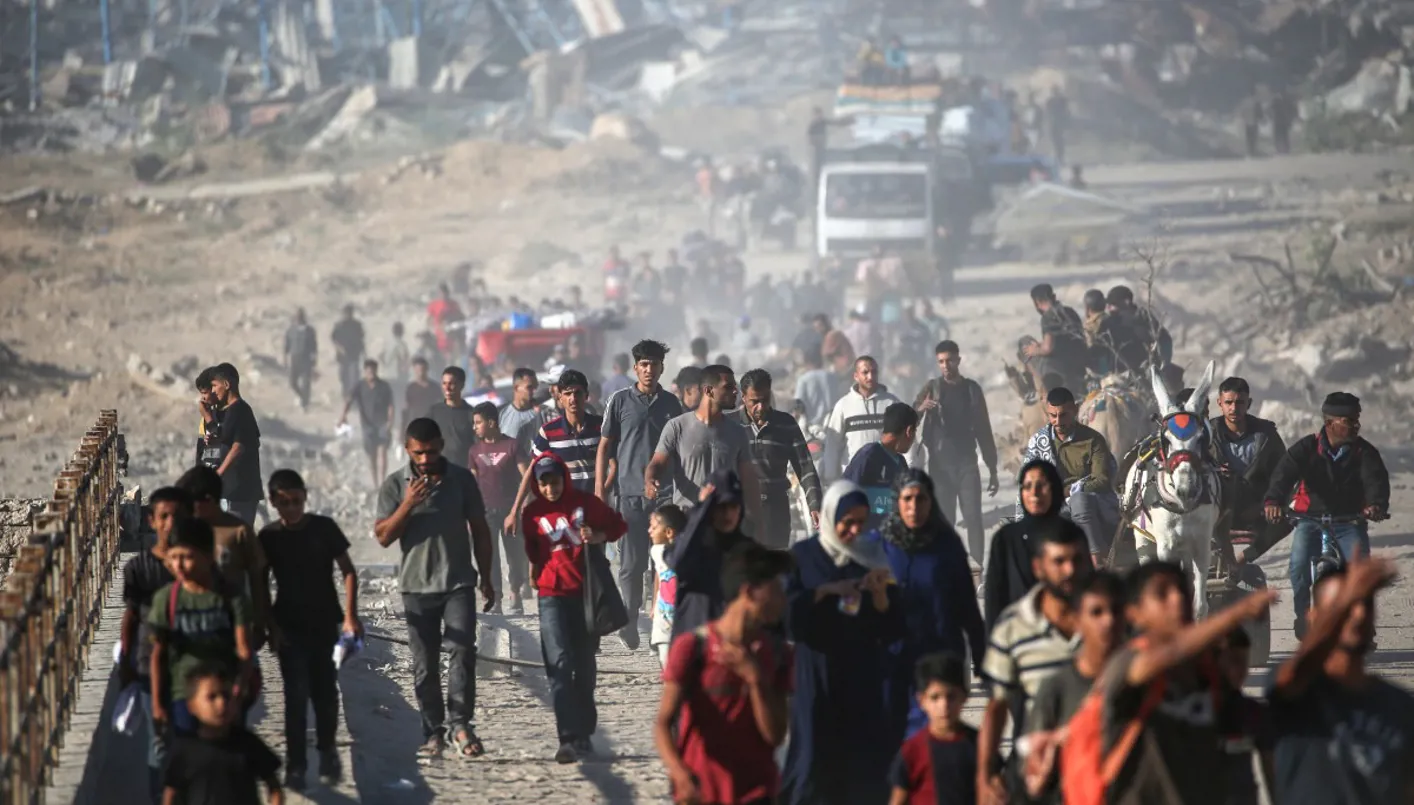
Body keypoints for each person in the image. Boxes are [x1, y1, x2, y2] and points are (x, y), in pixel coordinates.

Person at [1084, 562, 1274, 805]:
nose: (1177, 599)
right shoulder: (1127, 663)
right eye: (1162, 594)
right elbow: (1166, 655)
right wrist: (1238, 612)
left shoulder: (1205, 673)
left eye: (1182, 591)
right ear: (1134, 612)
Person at [374, 418, 495, 760]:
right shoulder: (395, 485)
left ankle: (460, 724)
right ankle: (433, 731)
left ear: (441, 445)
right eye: (418, 453)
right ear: (407, 450)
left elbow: (480, 529)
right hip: (416, 587)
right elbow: (383, 536)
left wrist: (487, 577)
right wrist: (408, 504)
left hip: (458, 582)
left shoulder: (462, 480)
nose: (425, 459)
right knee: (424, 664)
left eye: (430, 451)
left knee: (462, 650)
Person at [781, 481, 904, 805]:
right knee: (812, 757)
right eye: (847, 522)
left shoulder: (871, 557)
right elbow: (786, 617)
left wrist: (880, 595)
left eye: (861, 523)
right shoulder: (804, 556)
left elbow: (892, 627)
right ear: (830, 516)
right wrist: (825, 591)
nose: (854, 530)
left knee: (860, 763)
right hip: (816, 671)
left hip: (861, 673)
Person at [655, 543, 794, 805]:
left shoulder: (778, 654)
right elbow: (663, 722)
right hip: (703, 790)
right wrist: (679, 773)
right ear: (749, 592)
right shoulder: (693, 647)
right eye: (777, 591)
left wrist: (755, 679)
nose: (783, 601)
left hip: (757, 792)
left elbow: (775, 735)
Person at [1268, 557, 1414, 804]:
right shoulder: (1297, 694)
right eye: (1343, 607)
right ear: (1313, 619)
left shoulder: (1399, 706)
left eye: (1364, 603)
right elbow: (1291, 676)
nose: (1357, 615)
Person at [522, 453, 628, 763]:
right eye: (544, 484)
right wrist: (533, 572)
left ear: (564, 479)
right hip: (550, 596)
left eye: (555, 482)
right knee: (558, 664)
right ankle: (566, 738)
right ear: (537, 485)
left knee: (583, 666)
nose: (550, 489)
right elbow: (533, 551)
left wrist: (597, 536)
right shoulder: (532, 513)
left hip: (584, 595)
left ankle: (583, 732)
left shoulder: (585, 504)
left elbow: (618, 525)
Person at [258, 470, 360, 790]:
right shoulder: (269, 537)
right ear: (273, 502)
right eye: (284, 503)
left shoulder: (324, 528)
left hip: (324, 624)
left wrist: (350, 617)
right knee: (295, 698)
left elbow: (348, 571)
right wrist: (270, 626)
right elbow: (260, 584)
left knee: (325, 693)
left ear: (305, 496)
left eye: (296, 501)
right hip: (288, 627)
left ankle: (327, 750)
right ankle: (296, 765)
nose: (292, 508)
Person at [977, 523, 1088, 805]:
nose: (1069, 570)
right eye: (1059, 561)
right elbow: (997, 706)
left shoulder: (1106, 621)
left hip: (1093, 771)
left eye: (1076, 560)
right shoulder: (1014, 626)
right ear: (1038, 568)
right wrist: (986, 773)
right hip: (1036, 773)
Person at [1264, 391, 1389, 637]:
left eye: (1357, 419)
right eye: (1349, 420)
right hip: (1309, 520)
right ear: (1330, 423)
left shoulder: (1364, 452)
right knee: (1299, 565)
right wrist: (1273, 502)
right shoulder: (1306, 448)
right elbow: (1282, 476)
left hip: (1349, 521)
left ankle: (1362, 620)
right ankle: (1303, 616)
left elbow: (1376, 481)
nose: (1356, 425)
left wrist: (1376, 505)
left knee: (1360, 569)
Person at [871, 470, 985, 739]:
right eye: (907, 499)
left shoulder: (947, 544)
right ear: (897, 501)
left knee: (934, 736)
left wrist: (981, 656)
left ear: (931, 501)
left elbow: (967, 605)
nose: (914, 507)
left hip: (940, 655)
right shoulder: (879, 546)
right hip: (895, 659)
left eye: (920, 499)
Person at [597, 340, 684, 650]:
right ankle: (630, 619)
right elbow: (605, 446)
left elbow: (679, 451)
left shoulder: (672, 404)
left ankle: (660, 627)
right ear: (635, 368)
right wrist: (600, 491)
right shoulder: (619, 401)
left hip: (664, 497)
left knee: (663, 563)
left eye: (654, 364)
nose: (649, 369)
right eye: (644, 364)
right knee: (631, 565)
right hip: (630, 494)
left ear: (662, 368)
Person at [1021, 570, 1125, 804]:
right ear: (1076, 621)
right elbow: (1034, 770)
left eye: (1116, 611)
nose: (1108, 621)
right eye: (1096, 612)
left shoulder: (1144, 682)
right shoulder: (1057, 688)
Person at [148, 517, 257, 739]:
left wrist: (239, 689)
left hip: (223, 695)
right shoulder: (166, 599)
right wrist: (157, 704)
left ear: (209, 556)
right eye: (174, 557)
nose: (179, 566)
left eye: (187, 557)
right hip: (183, 695)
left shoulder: (231, 597)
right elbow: (158, 654)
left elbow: (244, 649)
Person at [120, 486, 187, 803]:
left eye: (177, 516)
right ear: (152, 520)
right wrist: (126, 663)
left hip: (192, 665)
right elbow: (131, 617)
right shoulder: (138, 569)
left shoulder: (194, 564)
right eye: (165, 516)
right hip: (150, 667)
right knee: (159, 742)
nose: (171, 523)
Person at [913, 341, 999, 568]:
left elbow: (983, 429)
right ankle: (947, 568)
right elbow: (910, 418)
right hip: (940, 466)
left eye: (949, 360)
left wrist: (992, 467)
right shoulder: (932, 387)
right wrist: (921, 408)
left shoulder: (971, 389)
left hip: (967, 464)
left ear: (958, 360)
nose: (946, 365)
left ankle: (978, 566)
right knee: (945, 520)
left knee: (973, 518)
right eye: (941, 361)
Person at [647, 365, 761, 525]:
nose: (736, 391)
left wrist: (757, 523)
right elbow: (657, 463)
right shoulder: (677, 427)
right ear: (708, 391)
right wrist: (651, 479)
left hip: (723, 523)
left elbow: (749, 480)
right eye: (728, 387)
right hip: (687, 521)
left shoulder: (737, 432)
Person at [985, 460, 1093, 630]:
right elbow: (994, 599)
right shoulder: (1006, 538)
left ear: (1054, 489)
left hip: (1065, 630)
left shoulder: (1071, 534)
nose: (1034, 493)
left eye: (1041, 485)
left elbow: (1087, 587)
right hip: (1018, 633)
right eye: (1027, 486)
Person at [1018, 387, 1119, 565]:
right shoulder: (1039, 442)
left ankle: (1095, 559)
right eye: (1053, 416)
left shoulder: (1093, 440)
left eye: (1063, 415)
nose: (1058, 421)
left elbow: (1102, 480)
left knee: (1079, 500)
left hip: (1093, 502)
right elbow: (1029, 481)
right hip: (1053, 504)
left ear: (1075, 410)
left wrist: (1069, 491)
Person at [176, 466, 272, 650]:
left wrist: (261, 623)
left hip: (233, 626)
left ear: (209, 500)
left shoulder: (238, 531)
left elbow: (258, 578)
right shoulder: (185, 531)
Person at [161, 663, 283, 805]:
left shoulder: (247, 743)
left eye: (226, 695)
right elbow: (170, 793)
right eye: (211, 697)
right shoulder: (183, 750)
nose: (221, 703)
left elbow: (274, 787)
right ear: (192, 706)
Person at [507, 370, 603, 536]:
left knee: (595, 552)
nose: (573, 399)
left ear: (586, 395)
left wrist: (602, 495)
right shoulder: (549, 432)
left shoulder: (600, 428)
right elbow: (532, 470)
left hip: (593, 510)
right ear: (560, 397)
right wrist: (514, 510)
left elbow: (613, 464)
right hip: (563, 513)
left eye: (577, 393)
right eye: (567, 394)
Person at [736, 369, 823, 548]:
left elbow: (805, 466)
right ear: (743, 398)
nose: (760, 407)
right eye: (754, 401)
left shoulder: (786, 424)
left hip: (776, 510)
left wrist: (815, 504)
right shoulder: (731, 425)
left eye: (765, 400)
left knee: (775, 560)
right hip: (741, 511)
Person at [1211, 376, 1288, 562]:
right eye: (1228, 402)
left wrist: (1268, 503)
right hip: (1217, 509)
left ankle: (1244, 558)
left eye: (1239, 402)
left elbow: (1283, 472)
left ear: (1249, 403)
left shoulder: (1266, 434)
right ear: (1219, 403)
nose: (1234, 408)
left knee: (1292, 515)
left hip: (1255, 508)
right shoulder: (1207, 434)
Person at [887, 653, 977, 805]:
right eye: (935, 697)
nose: (944, 706)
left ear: (965, 697)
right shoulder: (913, 750)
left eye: (951, 696)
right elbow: (898, 799)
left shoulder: (979, 744)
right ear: (922, 701)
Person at [469, 402, 526, 614]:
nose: (475, 427)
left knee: (515, 555)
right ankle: (496, 598)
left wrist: (519, 508)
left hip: (511, 511)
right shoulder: (475, 451)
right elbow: (472, 484)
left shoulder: (512, 446)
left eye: (478, 422)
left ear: (491, 423)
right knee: (489, 556)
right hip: (485, 512)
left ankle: (515, 591)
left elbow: (526, 476)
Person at [822, 356, 902, 482]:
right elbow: (833, 444)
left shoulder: (891, 403)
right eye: (865, 372)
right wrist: (830, 476)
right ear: (856, 376)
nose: (870, 377)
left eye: (874, 372)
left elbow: (903, 439)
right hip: (853, 478)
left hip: (884, 478)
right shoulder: (843, 405)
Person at [202, 364, 264, 527]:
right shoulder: (230, 412)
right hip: (230, 492)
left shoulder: (241, 410)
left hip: (239, 492)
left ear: (227, 384)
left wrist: (218, 474)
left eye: (215, 385)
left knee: (235, 537)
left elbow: (239, 447)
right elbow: (227, 438)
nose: (213, 390)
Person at [842, 402, 918, 531]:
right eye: (915, 431)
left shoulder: (901, 463)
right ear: (909, 431)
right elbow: (845, 495)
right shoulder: (868, 456)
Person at [1021, 284, 1087, 396]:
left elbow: (1048, 348)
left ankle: (1033, 391)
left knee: (1024, 343)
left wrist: (1035, 350)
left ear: (1037, 303)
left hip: (1059, 370)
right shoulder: (1070, 311)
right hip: (1080, 363)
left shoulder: (1048, 317)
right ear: (1054, 296)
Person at [339, 359, 395, 488]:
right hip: (367, 425)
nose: (371, 373)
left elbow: (391, 405)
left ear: (376, 371)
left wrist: (390, 422)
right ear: (364, 372)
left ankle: (383, 482)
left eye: (373, 370)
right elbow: (349, 400)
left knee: (382, 453)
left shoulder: (384, 386)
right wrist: (343, 416)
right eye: (368, 371)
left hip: (382, 424)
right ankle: (375, 484)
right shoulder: (359, 386)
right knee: (372, 456)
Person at [1106, 285, 1171, 372]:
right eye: (1108, 305)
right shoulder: (1145, 318)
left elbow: (1164, 340)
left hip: (1131, 372)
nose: (1108, 308)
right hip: (1144, 370)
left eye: (1113, 304)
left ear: (1126, 302)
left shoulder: (1117, 321)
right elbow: (1165, 341)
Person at [426, 366, 477, 469]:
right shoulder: (434, 411)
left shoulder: (471, 413)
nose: (447, 388)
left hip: (463, 469)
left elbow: (478, 445)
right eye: (444, 383)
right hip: (439, 468)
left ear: (461, 385)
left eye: (451, 384)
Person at [283, 308, 317, 411]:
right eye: (298, 316)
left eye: (301, 316)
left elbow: (314, 346)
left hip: (306, 359)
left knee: (306, 383)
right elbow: (286, 346)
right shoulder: (291, 330)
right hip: (294, 359)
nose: (299, 318)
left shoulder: (310, 331)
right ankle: (303, 397)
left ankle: (305, 404)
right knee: (292, 382)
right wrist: (285, 359)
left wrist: (314, 359)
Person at [330, 304, 365, 398]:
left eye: (350, 313)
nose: (348, 315)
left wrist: (364, 352)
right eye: (347, 313)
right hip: (343, 356)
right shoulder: (339, 325)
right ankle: (345, 395)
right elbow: (333, 339)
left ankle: (353, 397)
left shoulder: (357, 325)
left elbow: (361, 339)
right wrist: (339, 348)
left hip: (354, 355)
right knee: (343, 377)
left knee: (354, 378)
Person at [793, 349, 833, 428]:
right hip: (831, 425)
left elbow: (798, 406)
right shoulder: (832, 377)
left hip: (812, 427)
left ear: (807, 362)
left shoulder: (803, 379)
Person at [426, 283, 465, 362]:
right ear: (438, 293)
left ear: (448, 293)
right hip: (438, 337)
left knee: (453, 359)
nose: (443, 295)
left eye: (445, 292)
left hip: (452, 336)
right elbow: (428, 320)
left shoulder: (453, 304)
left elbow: (461, 317)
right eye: (441, 292)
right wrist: (434, 328)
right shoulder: (434, 305)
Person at [403, 356, 440, 434]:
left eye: (422, 370)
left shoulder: (434, 387)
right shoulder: (411, 388)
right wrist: (403, 427)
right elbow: (406, 408)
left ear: (427, 369)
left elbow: (440, 406)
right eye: (418, 370)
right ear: (414, 370)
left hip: (431, 423)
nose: (420, 373)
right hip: (415, 423)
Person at [1045, 87, 1070, 165]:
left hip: (1058, 124)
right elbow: (1048, 113)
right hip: (1056, 124)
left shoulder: (1061, 100)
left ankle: (1059, 158)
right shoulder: (1053, 101)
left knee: (1059, 143)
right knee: (1057, 142)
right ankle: (1058, 158)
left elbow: (1067, 111)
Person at [1270, 88, 1297, 155]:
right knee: (1284, 135)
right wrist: (1291, 118)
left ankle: (1280, 149)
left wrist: (1271, 117)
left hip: (1279, 121)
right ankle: (1284, 149)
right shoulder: (1287, 100)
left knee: (1280, 135)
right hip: (1283, 121)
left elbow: (1270, 109)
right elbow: (1293, 110)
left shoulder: (1276, 100)